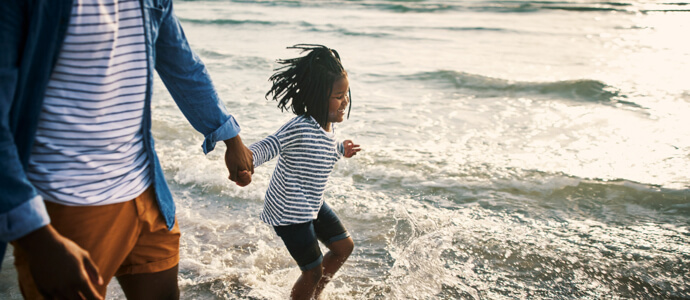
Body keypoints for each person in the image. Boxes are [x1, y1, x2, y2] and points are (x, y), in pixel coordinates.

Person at [0, 0, 253, 299]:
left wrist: (230, 137)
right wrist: (37, 236)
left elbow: (183, 64)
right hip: (69, 202)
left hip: (147, 193)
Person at [240, 44, 361, 300]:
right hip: (289, 211)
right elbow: (270, 145)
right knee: (312, 271)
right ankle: (308, 292)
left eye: (346, 93)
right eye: (338, 96)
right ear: (319, 97)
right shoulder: (299, 126)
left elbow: (321, 149)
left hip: (311, 203)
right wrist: (247, 161)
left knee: (343, 247)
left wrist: (341, 149)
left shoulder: (326, 127)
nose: (345, 101)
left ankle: (314, 295)